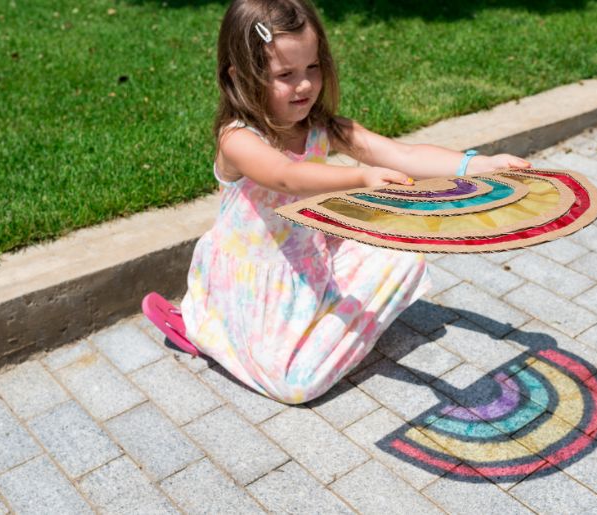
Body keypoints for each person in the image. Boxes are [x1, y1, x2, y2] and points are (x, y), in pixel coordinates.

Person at [180, 0, 531, 404]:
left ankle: (325, 323)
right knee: (297, 387)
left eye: (312, 67)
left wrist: (477, 164)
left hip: (309, 262)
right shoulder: (238, 138)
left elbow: (405, 155)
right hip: (253, 283)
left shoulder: (323, 127)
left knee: (405, 258)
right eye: (285, 74)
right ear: (240, 77)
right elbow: (286, 176)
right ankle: (211, 328)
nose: (305, 85)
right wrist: (360, 177)